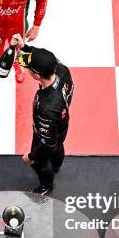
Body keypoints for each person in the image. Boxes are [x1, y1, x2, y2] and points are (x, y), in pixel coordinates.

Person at [12, 34, 73, 195]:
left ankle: (46, 186)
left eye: (29, 67)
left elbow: (47, 144)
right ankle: (57, 165)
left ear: (37, 75)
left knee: (39, 163)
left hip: (48, 131)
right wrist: (24, 47)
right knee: (59, 144)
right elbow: (46, 57)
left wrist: (32, 156)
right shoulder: (61, 69)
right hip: (62, 123)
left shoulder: (46, 109)